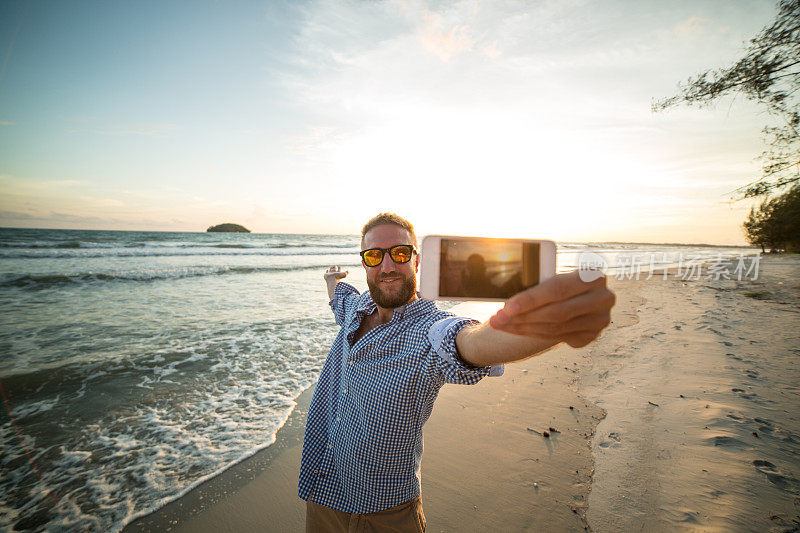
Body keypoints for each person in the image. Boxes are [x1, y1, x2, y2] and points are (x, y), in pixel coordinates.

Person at [299, 213, 615, 532]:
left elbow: (469, 341)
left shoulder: (430, 329)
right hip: (323, 492)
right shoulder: (357, 307)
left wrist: (554, 325)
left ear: (417, 261)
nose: (387, 266)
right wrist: (333, 279)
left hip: (381, 513)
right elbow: (339, 296)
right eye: (374, 256)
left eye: (399, 253)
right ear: (365, 263)